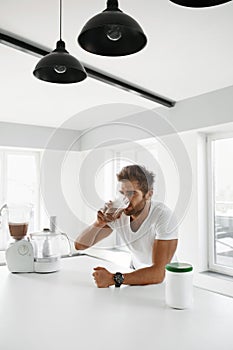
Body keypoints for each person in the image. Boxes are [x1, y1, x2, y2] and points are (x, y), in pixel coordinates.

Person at [74, 165, 178, 288]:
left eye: (131, 194)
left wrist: (113, 278)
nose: (125, 200)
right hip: (135, 275)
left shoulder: (163, 216)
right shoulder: (120, 213)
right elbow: (79, 245)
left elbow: (158, 274)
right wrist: (99, 223)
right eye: (122, 193)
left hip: (166, 282)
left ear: (148, 194)